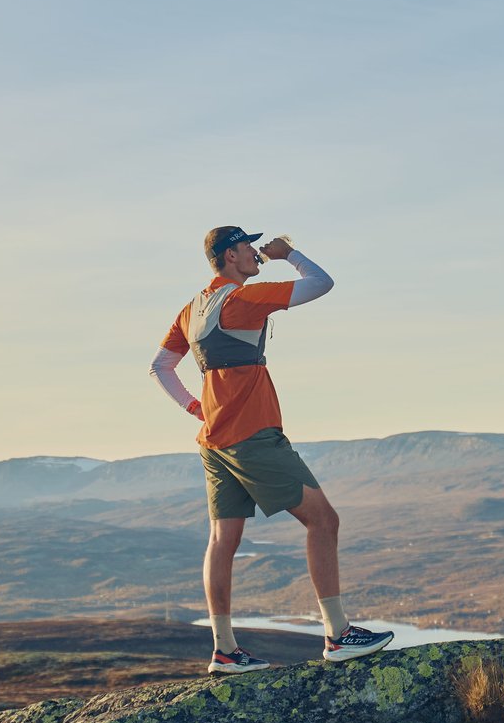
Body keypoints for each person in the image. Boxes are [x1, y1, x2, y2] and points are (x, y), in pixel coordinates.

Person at [150, 227, 395, 674]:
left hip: (214, 441)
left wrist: (194, 407)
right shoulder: (244, 298)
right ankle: (338, 636)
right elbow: (322, 283)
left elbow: (161, 366)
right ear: (229, 255)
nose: (254, 253)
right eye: (247, 247)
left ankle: (224, 651)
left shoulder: (193, 309)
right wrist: (289, 254)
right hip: (253, 433)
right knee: (323, 521)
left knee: (223, 540)